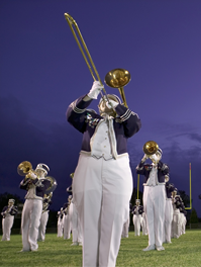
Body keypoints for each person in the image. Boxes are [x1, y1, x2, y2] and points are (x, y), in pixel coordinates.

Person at [68, 81, 140, 266]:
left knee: (114, 219)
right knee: (89, 220)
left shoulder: (122, 122)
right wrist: (91, 94)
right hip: (89, 164)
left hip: (117, 166)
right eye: (103, 100)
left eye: (111, 100)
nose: (106, 101)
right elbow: (71, 115)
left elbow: (135, 125)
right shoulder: (90, 117)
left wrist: (118, 107)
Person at [138, 148, 169, 251]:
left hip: (159, 188)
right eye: (153, 153)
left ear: (160, 155)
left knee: (159, 217)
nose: (154, 155)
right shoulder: (147, 166)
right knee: (149, 216)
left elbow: (166, 170)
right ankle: (151, 243)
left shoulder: (163, 165)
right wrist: (144, 159)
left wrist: (157, 161)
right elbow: (138, 170)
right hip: (147, 189)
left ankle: (159, 244)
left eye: (156, 154)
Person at [18, 164, 51, 252]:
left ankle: (33, 245)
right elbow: (21, 186)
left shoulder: (46, 181)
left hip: (37, 201)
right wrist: (26, 179)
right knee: (24, 224)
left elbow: (41, 189)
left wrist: (35, 179)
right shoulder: (31, 179)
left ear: (44, 173)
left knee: (34, 224)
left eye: (40, 171)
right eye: (37, 170)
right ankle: (25, 246)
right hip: (28, 200)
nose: (38, 172)